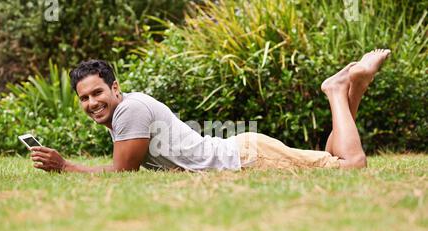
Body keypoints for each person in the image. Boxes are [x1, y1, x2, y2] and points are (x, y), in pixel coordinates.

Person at [30, 49, 391, 173]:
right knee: (331, 157)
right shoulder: (125, 110)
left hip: (247, 159)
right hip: (245, 151)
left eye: (97, 93)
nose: (92, 103)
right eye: (83, 98)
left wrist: (65, 166)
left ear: (115, 88)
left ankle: (335, 90)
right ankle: (352, 87)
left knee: (351, 167)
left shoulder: (128, 111)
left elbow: (124, 171)